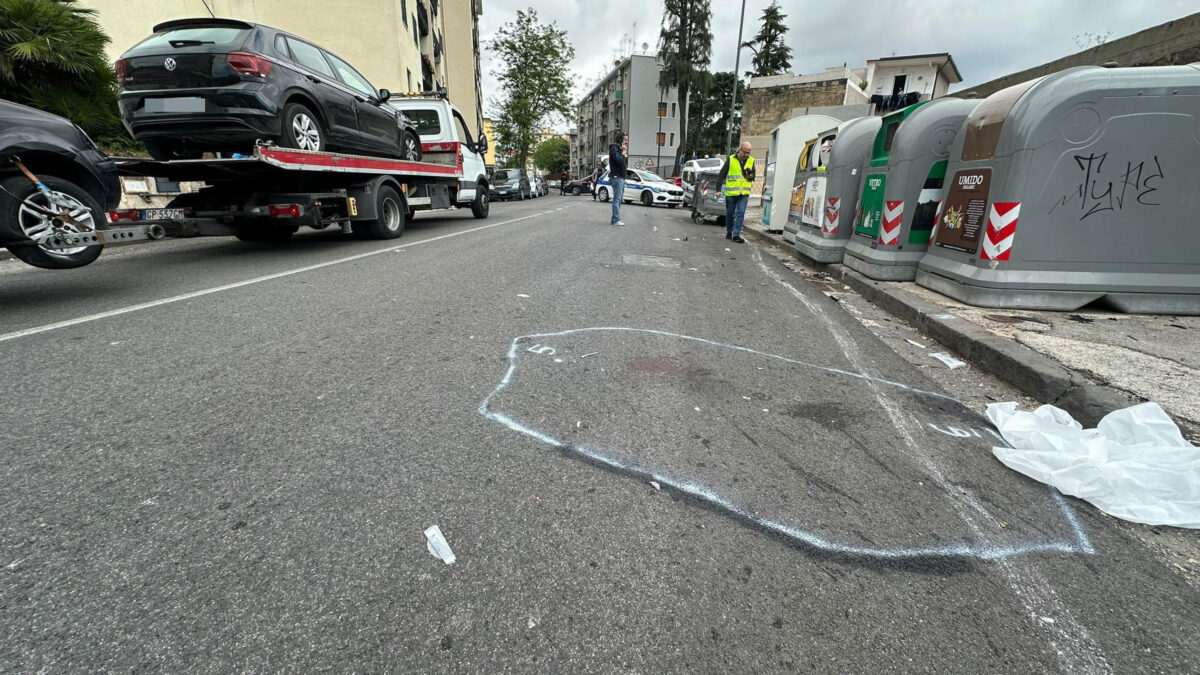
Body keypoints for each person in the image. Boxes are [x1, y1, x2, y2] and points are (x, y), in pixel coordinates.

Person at [718, 141, 755, 243]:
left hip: (743, 194)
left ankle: (736, 234)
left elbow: (753, 176)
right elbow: (722, 174)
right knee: (730, 213)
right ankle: (729, 231)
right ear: (740, 150)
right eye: (745, 152)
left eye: (749, 152)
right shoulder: (731, 159)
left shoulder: (751, 161)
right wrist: (718, 190)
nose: (747, 154)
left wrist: (750, 175)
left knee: (740, 213)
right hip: (731, 193)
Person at [608, 132, 628, 225]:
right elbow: (619, 160)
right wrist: (623, 153)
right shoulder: (614, 148)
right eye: (625, 139)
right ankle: (615, 219)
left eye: (627, 140)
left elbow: (622, 163)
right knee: (617, 199)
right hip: (616, 177)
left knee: (619, 199)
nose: (627, 142)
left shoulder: (619, 148)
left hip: (621, 177)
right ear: (620, 139)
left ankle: (615, 219)